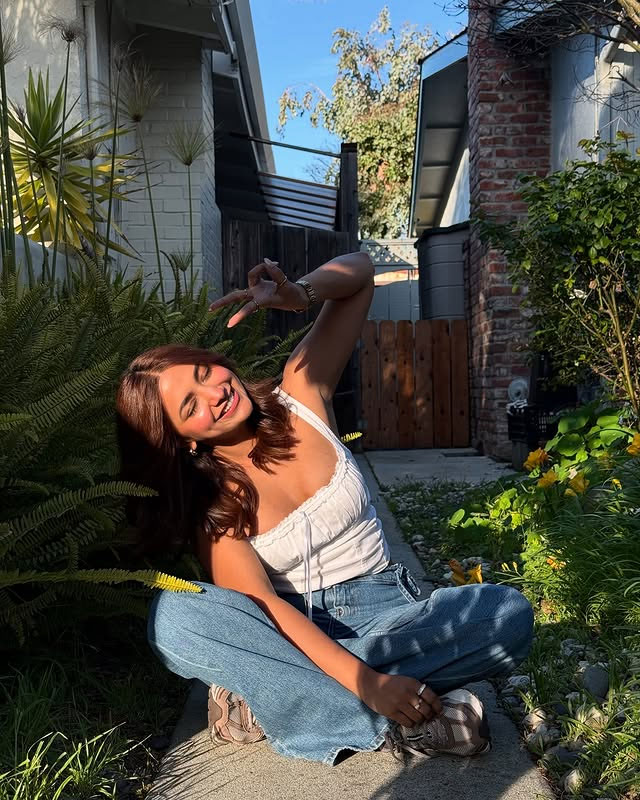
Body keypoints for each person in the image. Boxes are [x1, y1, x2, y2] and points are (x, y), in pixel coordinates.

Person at [115, 251, 534, 766]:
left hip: (390, 618)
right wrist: (370, 684)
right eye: (190, 405)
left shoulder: (301, 393)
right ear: (182, 440)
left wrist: (298, 294)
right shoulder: (213, 504)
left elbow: (360, 274)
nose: (215, 392)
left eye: (205, 372)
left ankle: (273, 697)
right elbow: (265, 609)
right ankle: (399, 724)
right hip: (291, 631)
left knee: (506, 613)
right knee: (174, 619)